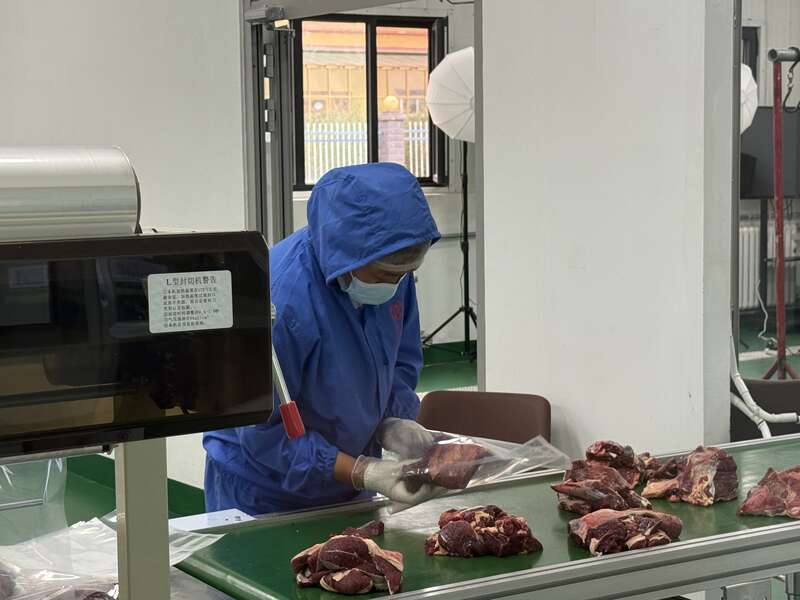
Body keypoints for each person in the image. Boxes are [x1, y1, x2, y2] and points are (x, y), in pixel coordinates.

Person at [203, 162, 444, 515]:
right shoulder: (281, 301)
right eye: (384, 274)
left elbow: (400, 361)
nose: (394, 285)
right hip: (263, 490)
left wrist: (392, 421)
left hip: (348, 482)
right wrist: (362, 471)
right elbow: (263, 434)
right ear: (348, 255)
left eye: (405, 274)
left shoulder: (393, 275)